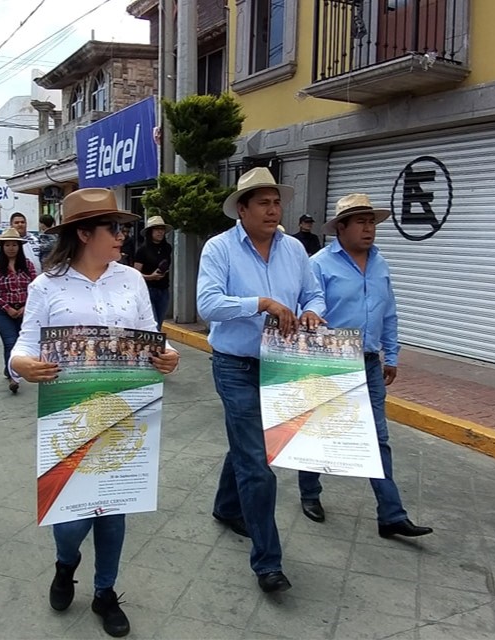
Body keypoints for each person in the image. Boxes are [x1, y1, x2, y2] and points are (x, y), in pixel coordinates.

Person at [10, 188, 179, 638]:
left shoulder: (132, 280)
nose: (123, 236)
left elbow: (151, 337)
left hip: (127, 410)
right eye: (114, 228)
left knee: (113, 510)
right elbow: (22, 349)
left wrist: (168, 355)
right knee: (69, 520)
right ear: (84, 233)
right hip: (69, 415)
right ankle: (66, 564)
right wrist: (25, 366)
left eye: (123, 228)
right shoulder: (46, 286)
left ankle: (105, 591)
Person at [196, 167, 325, 594]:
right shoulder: (219, 249)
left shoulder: (294, 250)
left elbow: (314, 293)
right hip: (235, 365)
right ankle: (268, 562)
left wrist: (311, 311)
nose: (274, 210)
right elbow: (208, 304)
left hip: (282, 363)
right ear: (243, 209)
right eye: (264, 203)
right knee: (259, 462)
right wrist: (261, 303)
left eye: (277, 202)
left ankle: (225, 508)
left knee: (247, 446)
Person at [299, 193, 434, 539]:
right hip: (329, 359)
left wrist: (392, 354)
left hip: (369, 362)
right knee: (320, 429)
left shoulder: (380, 263)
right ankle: (310, 493)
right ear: (340, 228)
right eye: (361, 222)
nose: (368, 228)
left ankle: (391, 514)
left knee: (378, 437)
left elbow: (388, 311)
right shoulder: (319, 264)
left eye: (371, 222)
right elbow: (307, 311)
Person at [0, 228, 37, 393]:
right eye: (7, 245)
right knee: (10, 342)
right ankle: (13, 376)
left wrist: (24, 307)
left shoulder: (27, 265)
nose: (11, 248)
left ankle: (11, 368)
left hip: (25, 310)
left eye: (14, 244)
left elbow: (35, 288)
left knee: (22, 343)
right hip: (3, 311)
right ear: (2, 246)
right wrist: (7, 308)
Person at [134, 216, 173, 328]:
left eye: (162, 229)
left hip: (164, 290)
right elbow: (136, 274)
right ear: (150, 232)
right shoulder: (142, 250)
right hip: (148, 290)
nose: (160, 232)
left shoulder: (167, 247)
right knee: (153, 324)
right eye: (157, 229)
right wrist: (151, 277)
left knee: (159, 323)